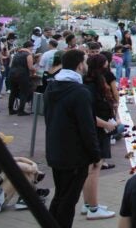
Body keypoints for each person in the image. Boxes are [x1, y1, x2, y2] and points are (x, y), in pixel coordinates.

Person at [44, 49, 101, 228]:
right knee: (68, 201)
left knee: (61, 196)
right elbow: (87, 126)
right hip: (74, 155)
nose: (87, 65)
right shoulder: (79, 92)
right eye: (85, 61)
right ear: (79, 65)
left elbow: (48, 118)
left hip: (55, 150)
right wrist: (95, 154)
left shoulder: (52, 86)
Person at [81, 54, 118, 219]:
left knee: (92, 168)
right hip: (98, 129)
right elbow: (89, 114)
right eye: (105, 64)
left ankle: (88, 203)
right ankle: (93, 209)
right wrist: (107, 124)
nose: (107, 66)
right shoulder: (91, 87)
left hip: (99, 128)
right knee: (94, 169)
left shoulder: (89, 83)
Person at [8, 41, 35, 115]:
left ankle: (10, 110)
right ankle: (21, 111)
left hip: (12, 74)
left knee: (13, 92)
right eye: (32, 48)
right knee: (24, 92)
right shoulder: (28, 54)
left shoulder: (17, 54)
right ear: (29, 47)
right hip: (22, 75)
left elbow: (11, 65)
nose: (32, 49)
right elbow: (30, 67)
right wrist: (34, 70)